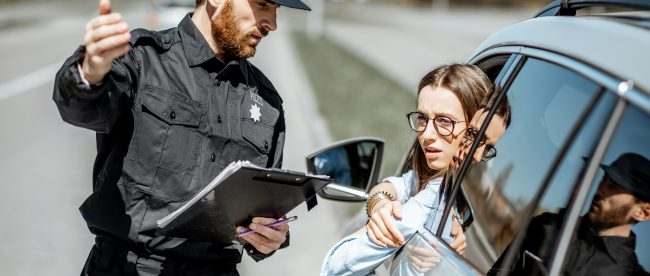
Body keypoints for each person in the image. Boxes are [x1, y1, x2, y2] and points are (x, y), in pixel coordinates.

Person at [52, 0, 311, 274]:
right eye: (262, 5)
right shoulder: (143, 59)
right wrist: (89, 71)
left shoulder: (267, 103)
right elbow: (80, 109)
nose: (272, 23)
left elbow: (263, 208)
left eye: (276, 10)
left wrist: (270, 237)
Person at [320, 64, 493, 275]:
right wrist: (379, 203)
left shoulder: (431, 200)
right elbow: (401, 183)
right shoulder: (452, 184)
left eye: (444, 121)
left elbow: (336, 266)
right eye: (422, 118)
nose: (427, 134)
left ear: (474, 133)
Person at [489, 153, 650, 276]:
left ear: (643, 212)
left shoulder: (631, 273)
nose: (600, 190)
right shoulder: (547, 226)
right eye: (603, 180)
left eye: (613, 187)